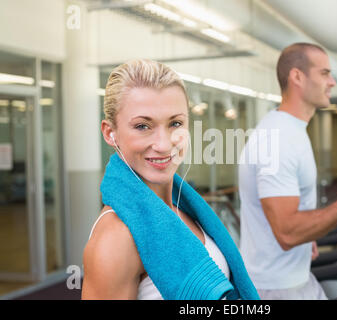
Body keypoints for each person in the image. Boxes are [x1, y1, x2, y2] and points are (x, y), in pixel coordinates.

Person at [82, 59, 259, 300]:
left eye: (175, 123)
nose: (164, 145)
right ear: (110, 133)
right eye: (143, 126)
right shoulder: (116, 237)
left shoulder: (186, 209)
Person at [238, 43, 337, 300]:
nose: (332, 82)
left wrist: (306, 232)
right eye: (324, 73)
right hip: (276, 288)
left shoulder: (290, 131)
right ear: (297, 76)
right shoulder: (277, 140)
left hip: (293, 277)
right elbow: (287, 231)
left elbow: (287, 221)